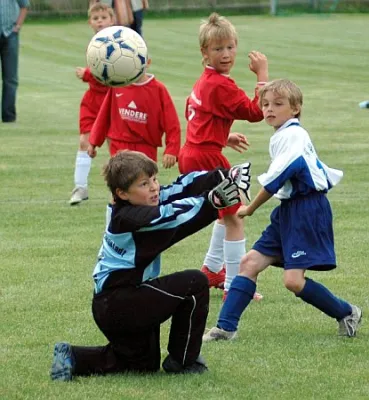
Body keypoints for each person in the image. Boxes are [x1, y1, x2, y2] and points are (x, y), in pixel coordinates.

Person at [50, 150, 252, 380]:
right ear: (122, 193)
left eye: (154, 179)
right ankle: (183, 361)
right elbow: (172, 216)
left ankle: (72, 356)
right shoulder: (131, 218)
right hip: (118, 302)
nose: (154, 187)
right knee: (194, 283)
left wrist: (223, 175)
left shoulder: (141, 202)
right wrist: (211, 201)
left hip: (111, 303)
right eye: (144, 184)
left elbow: (181, 186)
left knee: (142, 364)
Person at [203, 79, 362, 342]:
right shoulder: (283, 134)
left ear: (296, 108)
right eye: (265, 104)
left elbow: (280, 176)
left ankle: (347, 312)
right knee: (249, 263)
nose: (269, 109)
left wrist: (250, 208)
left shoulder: (294, 135)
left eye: (278, 104)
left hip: (308, 210)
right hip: (289, 210)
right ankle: (225, 328)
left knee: (293, 281)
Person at [178, 12, 268, 301]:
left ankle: (213, 270)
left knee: (225, 214)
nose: (226, 54)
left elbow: (192, 111)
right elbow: (256, 113)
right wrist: (262, 75)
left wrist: (221, 136)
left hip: (193, 151)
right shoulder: (221, 84)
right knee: (236, 217)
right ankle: (234, 285)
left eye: (230, 47)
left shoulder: (205, 80)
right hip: (206, 158)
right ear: (205, 53)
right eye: (218, 49)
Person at [87, 61, 180, 169]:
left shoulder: (158, 89)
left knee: (143, 182)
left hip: (146, 148)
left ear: (148, 62)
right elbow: (104, 116)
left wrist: (171, 149)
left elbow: (172, 123)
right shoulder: (118, 84)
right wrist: (93, 142)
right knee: (121, 181)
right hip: (119, 146)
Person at [69, 3, 114, 206]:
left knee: (117, 146)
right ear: (90, 23)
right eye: (96, 19)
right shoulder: (93, 44)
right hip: (92, 102)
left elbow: (107, 75)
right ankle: (80, 187)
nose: (100, 22)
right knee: (84, 142)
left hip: (112, 100)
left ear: (112, 20)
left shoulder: (117, 43)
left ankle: (120, 189)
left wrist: (86, 74)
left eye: (103, 18)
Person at [0, 0, 29, 123]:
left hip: (10, 34)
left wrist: (18, 26)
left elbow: (24, 6)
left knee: (11, 78)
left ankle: (8, 116)